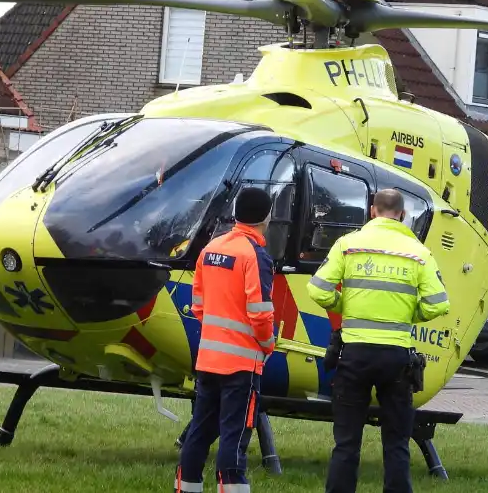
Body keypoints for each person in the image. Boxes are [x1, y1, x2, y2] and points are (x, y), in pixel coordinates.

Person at [307, 188, 451, 493]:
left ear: (372, 211)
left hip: (354, 355)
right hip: (396, 358)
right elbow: (439, 303)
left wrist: (346, 306)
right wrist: (410, 314)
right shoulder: (418, 252)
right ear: (402, 214)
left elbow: (317, 289)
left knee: (346, 443)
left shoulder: (348, 246)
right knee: (397, 442)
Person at [175, 186, 276, 493]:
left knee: (200, 432)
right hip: (242, 365)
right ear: (266, 217)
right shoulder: (255, 256)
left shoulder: (211, 249)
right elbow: (259, 313)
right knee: (235, 435)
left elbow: (199, 306)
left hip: (208, 359)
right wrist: (268, 344)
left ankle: (186, 486)